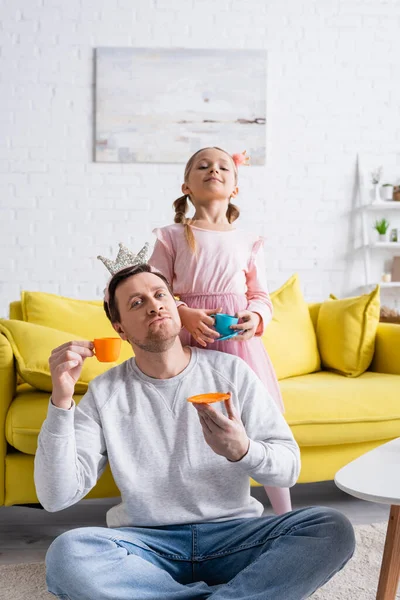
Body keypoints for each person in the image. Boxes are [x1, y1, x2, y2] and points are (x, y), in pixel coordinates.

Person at [34, 263, 355, 600]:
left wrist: (243, 450)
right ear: (120, 329)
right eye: (136, 303)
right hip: (147, 545)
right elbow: (55, 497)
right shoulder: (104, 392)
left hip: (236, 537)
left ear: (175, 306)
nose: (154, 305)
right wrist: (61, 400)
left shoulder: (231, 370)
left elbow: (289, 466)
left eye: (160, 295)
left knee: (331, 528)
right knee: (68, 553)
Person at [149, 146, 291, 515]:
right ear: (187, 186)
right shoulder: (171, 236)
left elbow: (261, 295)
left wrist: (255, 318)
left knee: (259, 420)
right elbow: (155, 289)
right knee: (188, 421)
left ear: (235, 189)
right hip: (190, 340)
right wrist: (184, 314)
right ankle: (187, 509)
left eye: (223, 166)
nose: (214, 170)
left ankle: (283, 514)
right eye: (203, 165)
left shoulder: (249, 240)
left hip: (240, 346)